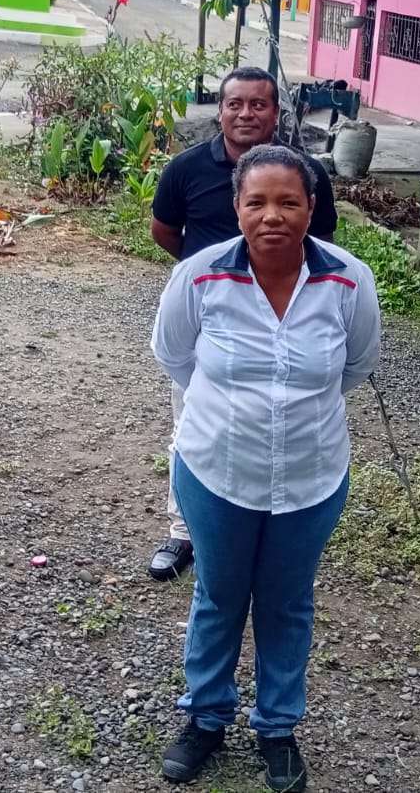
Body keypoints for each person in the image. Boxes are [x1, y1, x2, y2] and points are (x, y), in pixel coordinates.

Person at [151, 145, 380, 791]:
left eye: (288, 202)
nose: (272, 215)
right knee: (219, 595)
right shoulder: (198, 277)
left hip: (310, 476)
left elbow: (357, 364)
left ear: (311, 207)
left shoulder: (349, 280)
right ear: (237, 208)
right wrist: (238, 413)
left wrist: (292, 411)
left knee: (286, 602)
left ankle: (277, 727)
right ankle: (205, 717)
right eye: (256, 202)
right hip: (216, 469)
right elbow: (174, 357)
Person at [146, 67, 339, 581]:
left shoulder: (305, 174)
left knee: (282, 421)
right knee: (190, 425)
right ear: (220, 111)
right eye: (235, 103)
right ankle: (183, 531)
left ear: (276, 113)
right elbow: (164, 230)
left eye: (258, 104)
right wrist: (205, 276)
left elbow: (321, 244)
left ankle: (272, 521)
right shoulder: (186, 169)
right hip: (211, 321)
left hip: (285, 317)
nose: (246, 113)